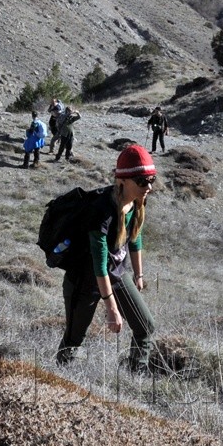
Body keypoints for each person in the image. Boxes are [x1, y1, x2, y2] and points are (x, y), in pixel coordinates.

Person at [55, 145, 158, 371]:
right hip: (85, 280)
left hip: (117, 273)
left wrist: (139, 275)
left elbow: (134, 238)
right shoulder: (101, 211)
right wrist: (111, 307)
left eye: (151, 179)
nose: (148, 186)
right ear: (123, 181)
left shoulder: (136, 202)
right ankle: (61, 379)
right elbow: (99, 264)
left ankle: (136, 375)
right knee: (74, 341)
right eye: (142, 180)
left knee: (145, 327)